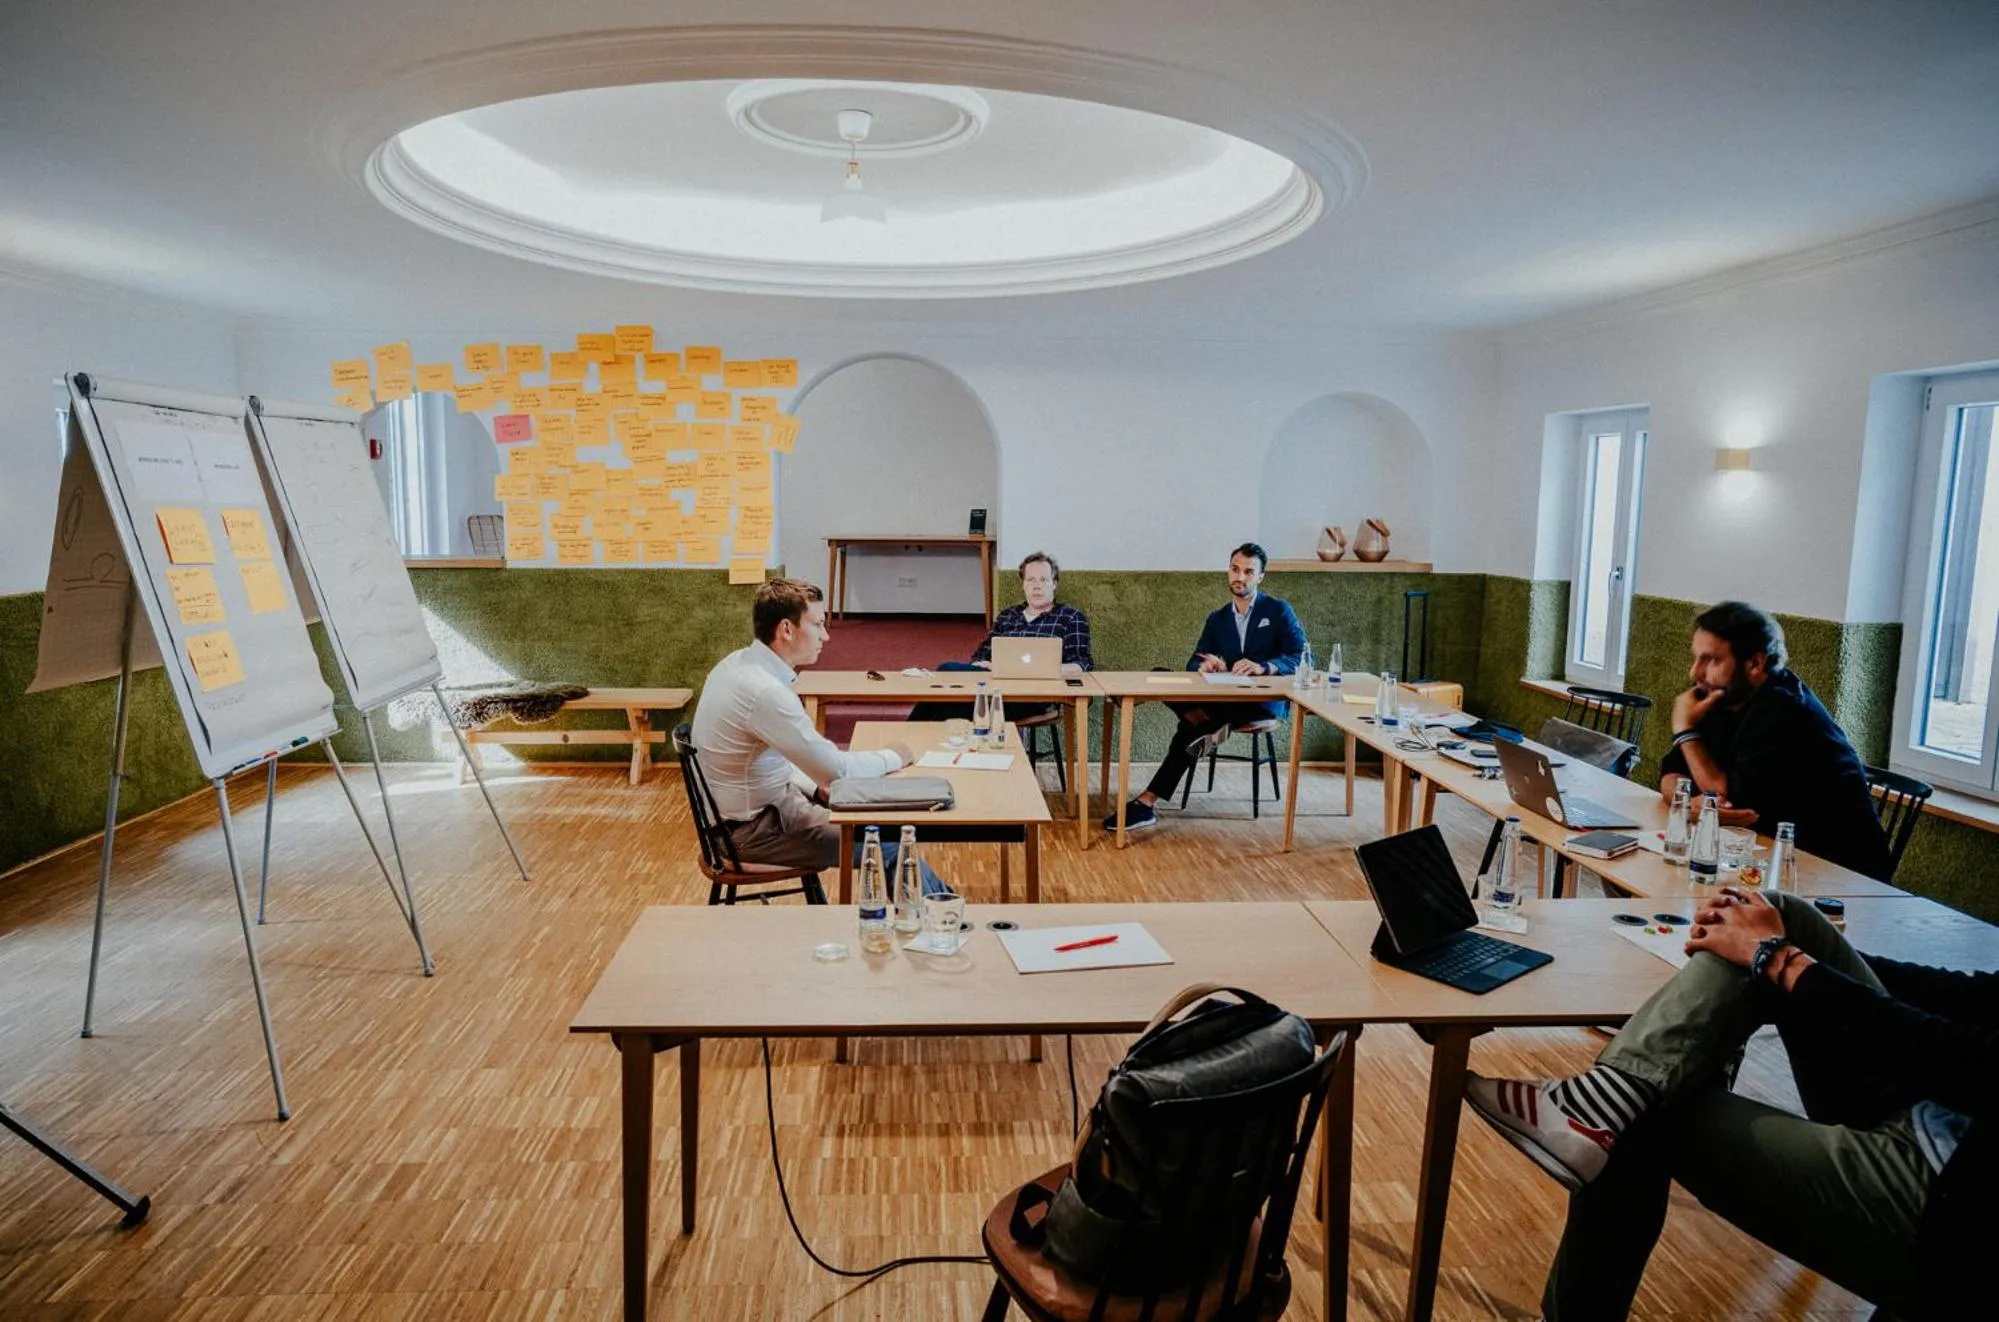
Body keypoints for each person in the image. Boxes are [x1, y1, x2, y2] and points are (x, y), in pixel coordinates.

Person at [1464, 885, 1992, 1321]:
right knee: (1783, 912)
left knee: (1642, 1111)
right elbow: (1976, 998)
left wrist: (1777, 960)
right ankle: (1607, 1097)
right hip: (1941, 1113)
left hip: (1951, 1204)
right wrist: (1778, 944)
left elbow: (1967, 1064)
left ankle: (1606, 1103)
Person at [691, 578, 943, 889]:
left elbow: (778, 761)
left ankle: (936, 924)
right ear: (786, 629)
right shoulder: (764, 691)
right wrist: (895, 755)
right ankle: (946, 929)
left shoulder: (736, 665)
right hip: (750, 835)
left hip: (754, 816)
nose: (825, 636)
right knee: (891, 844)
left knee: (877, 823)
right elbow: (837, 772)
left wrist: (812, 789)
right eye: (818, 624)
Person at [1659, 600, 1892, 880]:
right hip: (1762, 857)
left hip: (1835, 875)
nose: (1695, 672)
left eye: (1712, 660)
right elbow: (1671, 773)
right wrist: (1689, 801)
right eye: (1695, 658)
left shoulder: (1787, 713)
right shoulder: (1718, 697)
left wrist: (1685, 731)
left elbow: (1726, 799)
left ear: (1755, 663)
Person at [1104, 542, 1305, 833]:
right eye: (1235, 569)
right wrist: (1204, 666)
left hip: (1261, 701)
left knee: (1192, 727)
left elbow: (1302, 657)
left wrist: (1264, 667)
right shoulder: (1218, 618)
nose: (1241, 577)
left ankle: (1147, 802)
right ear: (1228, 571)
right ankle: (1206, 728)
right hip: (1226, 696)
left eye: (1249, 572)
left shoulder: (1278, 611)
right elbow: (1194, 661)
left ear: (1261, 577)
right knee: (1162, 675)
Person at [909, 551, 1093, 722]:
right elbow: (980, 657)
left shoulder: (1070, 617)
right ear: (1023, 585)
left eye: (1044, 580)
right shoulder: (1008, 615)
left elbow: (1081, 665)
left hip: (1034, 696)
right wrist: (989, 665)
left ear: (1054, 584)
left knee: (948, 693)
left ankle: (904, 743)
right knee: (948, 683)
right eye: (1031, 580)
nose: (1037, 586)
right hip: (994, 689)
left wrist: (1040, 670)